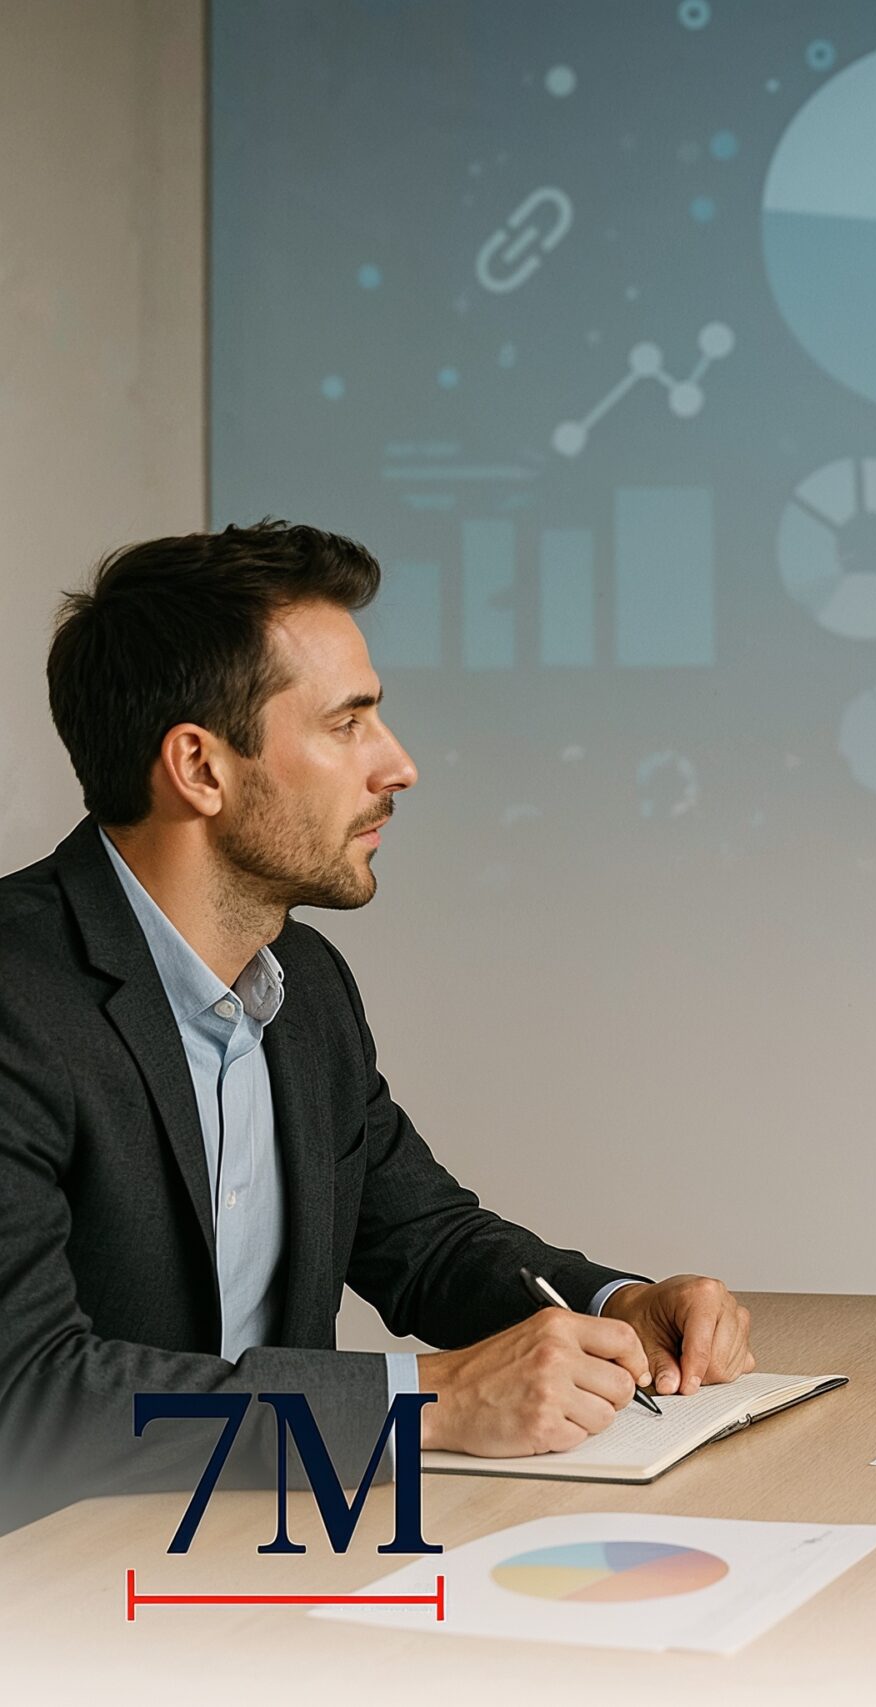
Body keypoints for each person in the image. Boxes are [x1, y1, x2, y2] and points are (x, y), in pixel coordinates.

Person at [0, 523, 756, 1534]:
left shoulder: (302, 984)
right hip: (63, 1581)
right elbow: (26, 1396)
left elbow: (421, 1241)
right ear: (200, 767)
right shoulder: (17, 999)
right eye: (348, 723)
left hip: (270, 1540)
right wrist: (426, 1401)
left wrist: (614, 1305)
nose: (396, 765)